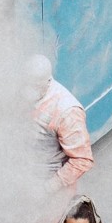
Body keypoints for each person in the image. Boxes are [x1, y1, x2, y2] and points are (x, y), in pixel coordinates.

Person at [23, 57, 92, 189]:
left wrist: (48, 188)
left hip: (48, 176)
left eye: (34, 86)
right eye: (26, 83)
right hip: (23, 166)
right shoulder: (20, 91)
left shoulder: (67, 111)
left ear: (48, 81)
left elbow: (81, 160)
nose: (27, 90)